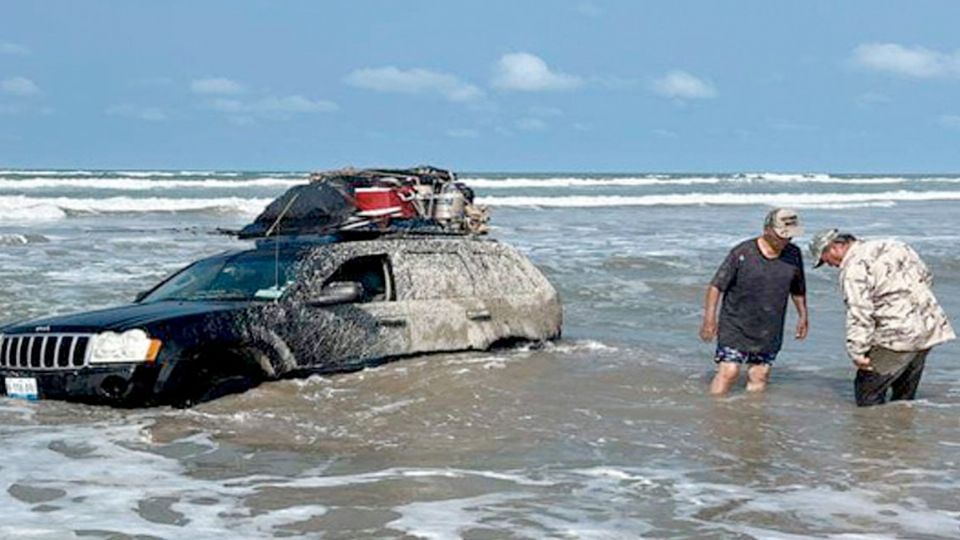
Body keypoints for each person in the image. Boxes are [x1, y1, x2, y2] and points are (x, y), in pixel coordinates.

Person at [809, 229, 955, 406]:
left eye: (825, 260)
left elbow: (859, 312)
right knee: (904, 398)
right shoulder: (896, 246)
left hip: (897, 336)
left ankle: (875, 433)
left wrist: (857, 352)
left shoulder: (853, 268)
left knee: (867, 394)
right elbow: (926, 277)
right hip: (928, 328)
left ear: (834, 247)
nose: (829, 265)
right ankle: (901, 431)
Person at [700, 208, 809, 395]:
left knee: (759, 375)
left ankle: (753, 421)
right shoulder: (742, 253)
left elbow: (798, 289)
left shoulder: (794, 254)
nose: (787, 240)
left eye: (790, 236)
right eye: (782, 235)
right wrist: (709, 320)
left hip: (769, 327)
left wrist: (803, 316)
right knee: (729, 372)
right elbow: (716, 286)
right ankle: (716, 416)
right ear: (767, 230)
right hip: (735, 324)